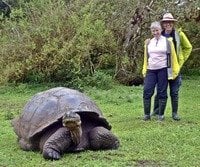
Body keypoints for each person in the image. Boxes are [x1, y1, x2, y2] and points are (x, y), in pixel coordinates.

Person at [151, 13, 192, 121]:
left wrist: (181, 61)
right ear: (163, 24)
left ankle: (175, 113)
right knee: (160, 90)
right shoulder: (160, 34)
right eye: (166, 22)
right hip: (162, 67)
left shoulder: (179, 34)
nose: (168, 24)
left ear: (173, 23)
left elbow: (188, 47)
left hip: (174, 68)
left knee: (174, 91)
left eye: (170, 22)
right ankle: (156, 111)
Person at [142, 21, 180, 121]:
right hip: (151, 69)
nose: (155, 33)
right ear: (151, 32)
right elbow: (146, 57)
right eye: (153, 31)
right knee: (147, 91)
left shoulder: (168, 41)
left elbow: (173, 57)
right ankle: (146, 115)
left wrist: (175, 70)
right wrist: (144, 69)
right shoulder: (149, 42)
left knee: (162, 92)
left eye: (157, 30)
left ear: (160, 30)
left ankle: (161, 115)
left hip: (163, 69)